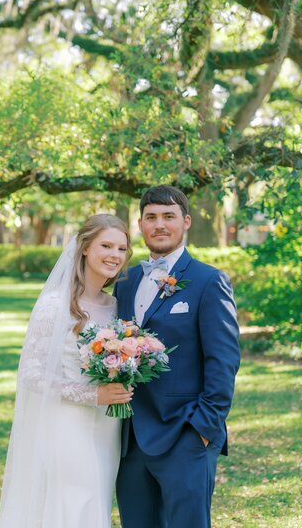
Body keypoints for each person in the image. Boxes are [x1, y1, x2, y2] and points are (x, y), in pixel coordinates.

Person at [114, 185, 240, 528]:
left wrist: (203, 427)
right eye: (151, 217)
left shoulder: (208, 280)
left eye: (168, 216)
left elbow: (223, 360)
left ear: (185, 222)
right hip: (131, 439)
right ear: (140, 225)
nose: (159, 225)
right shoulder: (125, 282)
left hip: (185, 433)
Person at [0, 214, 133, 528]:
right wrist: (94, 394)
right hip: (67, 422)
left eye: (122, 249)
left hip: (107, 427)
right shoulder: (55, 305)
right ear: (85, 247)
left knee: (95, 497)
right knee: (72, 502)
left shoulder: (114, 307)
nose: (115, 255)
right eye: (106, 245)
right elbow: (32, 373)